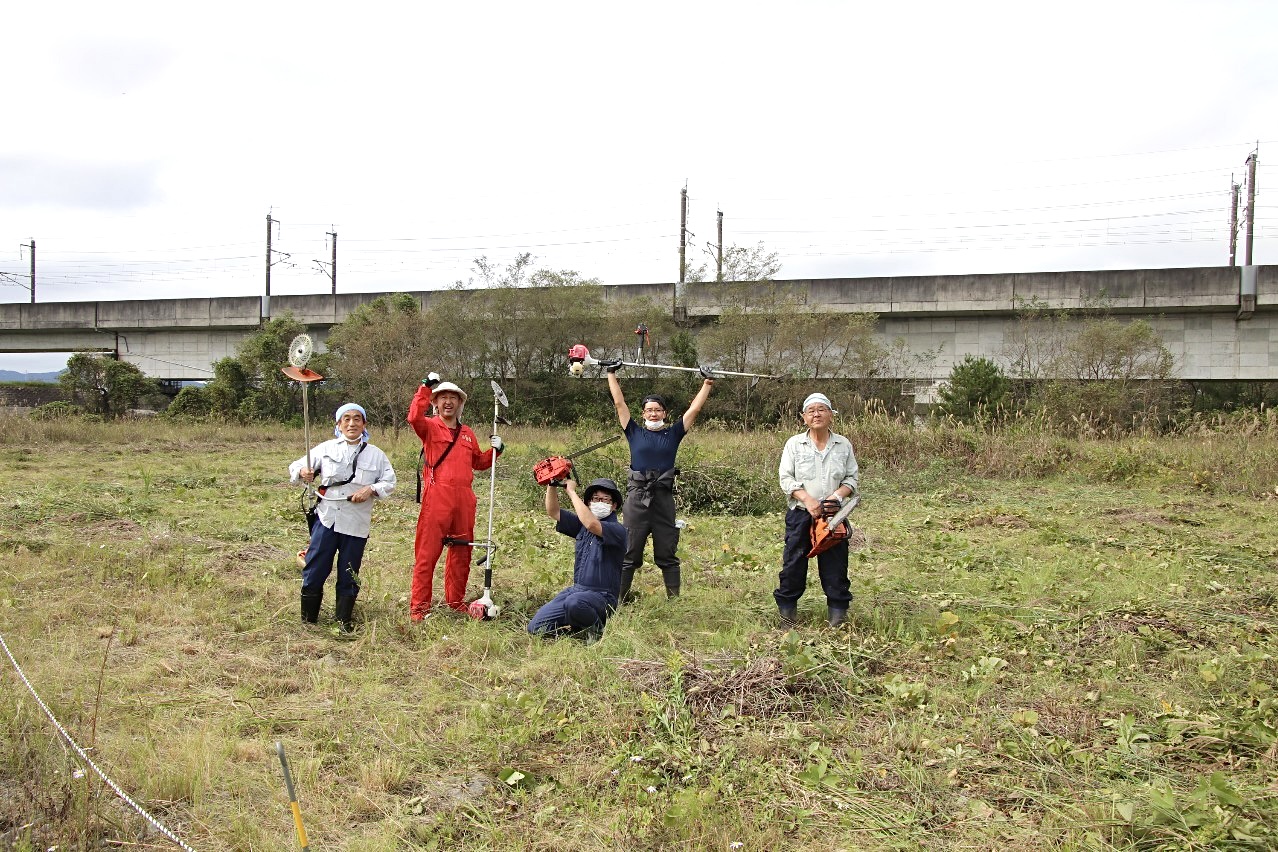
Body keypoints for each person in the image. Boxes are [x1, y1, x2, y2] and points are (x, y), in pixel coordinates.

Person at [602, 361, 715, 601]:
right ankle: (619, 601)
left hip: (663, 500)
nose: (653, 413)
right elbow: (619, 403)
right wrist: (611, 373)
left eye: (657, 410)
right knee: (629, 553)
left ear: (664, 413)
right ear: (643, 414)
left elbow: (693, 410)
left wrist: (707, 383)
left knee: (667, 553)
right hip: (636, 499)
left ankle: (673, 601)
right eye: (649, 410)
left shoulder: (673, 433)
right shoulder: (633, 431)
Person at [289, 403, 397, 632]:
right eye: (346, 419)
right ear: (338, 424)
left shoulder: (376, 454)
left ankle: (343, 622)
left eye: (357, 419)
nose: (351, 423)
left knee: (349, 572)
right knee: (315, 568)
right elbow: (297, 465)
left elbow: (390, 482)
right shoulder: (326, 448)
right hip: (327, 519)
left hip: (356, 523)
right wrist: (303, 472)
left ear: (364, 424)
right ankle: (309, 621)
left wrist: (370, 489)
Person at [407, 373, 503, 620]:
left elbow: (479, 463)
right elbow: (413, 417)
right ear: (436, 403)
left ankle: (455, 601)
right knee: (427, 555)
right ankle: (419, 608)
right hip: (437, 498)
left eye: (453, 398)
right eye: (443, 398)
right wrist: (425, 387)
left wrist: (496, 451)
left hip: (464, 500)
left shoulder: (467, 433)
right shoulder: (428, 426)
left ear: (460, 404)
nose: (448, 402)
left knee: (462, 553)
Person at [776, 392, 859, 628]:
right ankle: (787, 617)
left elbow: (851, 478)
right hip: (801, 513)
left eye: (822, 409)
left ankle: (837, 619)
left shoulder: (843, 444)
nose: (816, 414)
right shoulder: (794, 444)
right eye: (811, 410)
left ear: (831, 415)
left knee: (835, 567)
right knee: (793, 564)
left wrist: (837, 496)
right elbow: (786, 478)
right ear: (804, 417)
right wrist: (808, 500)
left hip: (834, 516)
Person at [527, 477, 627, 642]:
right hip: (577, 590)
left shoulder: (617, 530)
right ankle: (577, 633)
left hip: (603, 596)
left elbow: (592, 525)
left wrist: (571, 492)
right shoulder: (582, 525)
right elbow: (554, 512)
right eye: (595, 499)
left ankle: (596, 631)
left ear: (614, 505)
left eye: (605, 499)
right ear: (588, 503)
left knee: (575, 602)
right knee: (535, 628)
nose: (599, 502)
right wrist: (552, 484)